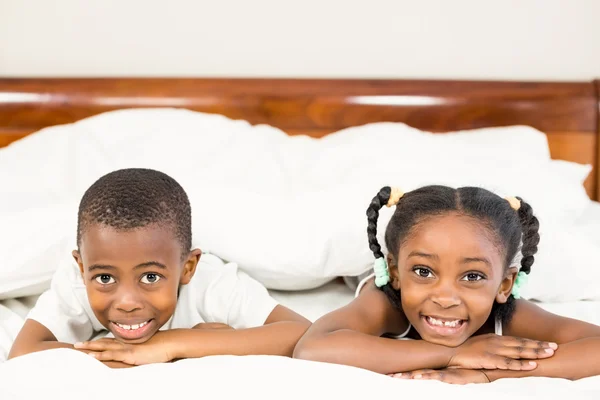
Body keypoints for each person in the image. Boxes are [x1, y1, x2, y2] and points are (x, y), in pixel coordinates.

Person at [294, 185, 600, 384]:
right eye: (424, 271)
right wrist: (453, 354)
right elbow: (313, 348)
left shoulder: (505, 311)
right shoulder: (386, 301)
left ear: (504, 285)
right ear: (396, 271)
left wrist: (486, 373)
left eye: (472, 276)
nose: (445, 298)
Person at [9, 168, 310, 368]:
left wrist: (175, 343)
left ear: (187, 267)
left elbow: (302, 334)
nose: (126, 302)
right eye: (104, 278)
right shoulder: (75, 283)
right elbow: (24, 353)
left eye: (150, 277)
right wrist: (127, 355)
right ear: (81, 266)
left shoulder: (214, 283)